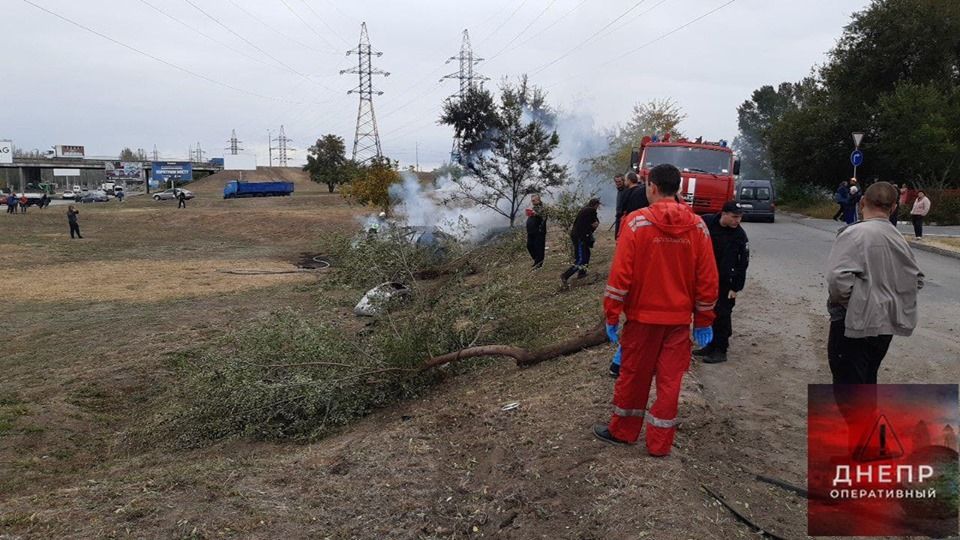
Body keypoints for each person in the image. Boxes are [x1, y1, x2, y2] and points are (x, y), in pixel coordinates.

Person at [593, 164, 718, 456]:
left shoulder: (636, 223)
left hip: (642, 321)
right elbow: (707, 280)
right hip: (678, 323)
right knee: (670, 382)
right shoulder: (698, 226)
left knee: (634, 376)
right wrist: (704, 320)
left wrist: (612, 314)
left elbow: (620, 277)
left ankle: (623, 431)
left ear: (652, 187)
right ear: (678, 188)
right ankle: (660, 444)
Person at [826, 182, 923, 453]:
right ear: (894, 207)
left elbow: (837, 280)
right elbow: (916, 279)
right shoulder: (898, 238)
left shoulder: (854, 234)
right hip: (884, 326)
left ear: (862, 202)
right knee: (866, 383)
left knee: (849, 390)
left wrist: (857, 303)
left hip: (854, 323)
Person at [695, 201, 750, 364]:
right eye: (734, 217)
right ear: (723, 214)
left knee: (723, 314)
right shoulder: (708, 222)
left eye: (740, 217)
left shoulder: (739, 235)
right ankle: (710, 345)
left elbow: (743, 262)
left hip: (726, 281)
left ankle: (721, 349)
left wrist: (736, 287)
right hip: (707, 278)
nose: (737, 221)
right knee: (708, 311)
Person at [560, 198, 600, 289]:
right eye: (598, 206)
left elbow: (593, 223)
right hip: (580, 237)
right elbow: (595, 223)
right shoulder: (591, 210)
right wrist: (594, 226)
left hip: (579, 235)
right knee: (580, 259)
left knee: (587, 254)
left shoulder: (585, 209)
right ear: (596, 205)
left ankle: (582, 273)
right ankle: (565, 275)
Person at [617, 172, 650, 237]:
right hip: (644, 221)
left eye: (625, 180)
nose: (624, 182)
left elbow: (622, 210)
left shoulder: (626, 193)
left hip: (631, 222)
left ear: (629, 180)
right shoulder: (643, 190)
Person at [525, 194, 548, 269]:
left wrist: (536, 214)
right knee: (529, 245)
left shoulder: (543, 208)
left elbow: (544, 216)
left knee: (539, 247)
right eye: (532, 201)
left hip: (539, 231)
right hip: (531, 232)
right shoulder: (534, 208)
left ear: (538, 200)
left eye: (534, 200)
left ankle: (538, 263)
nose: (532, 202)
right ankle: (536, 260)